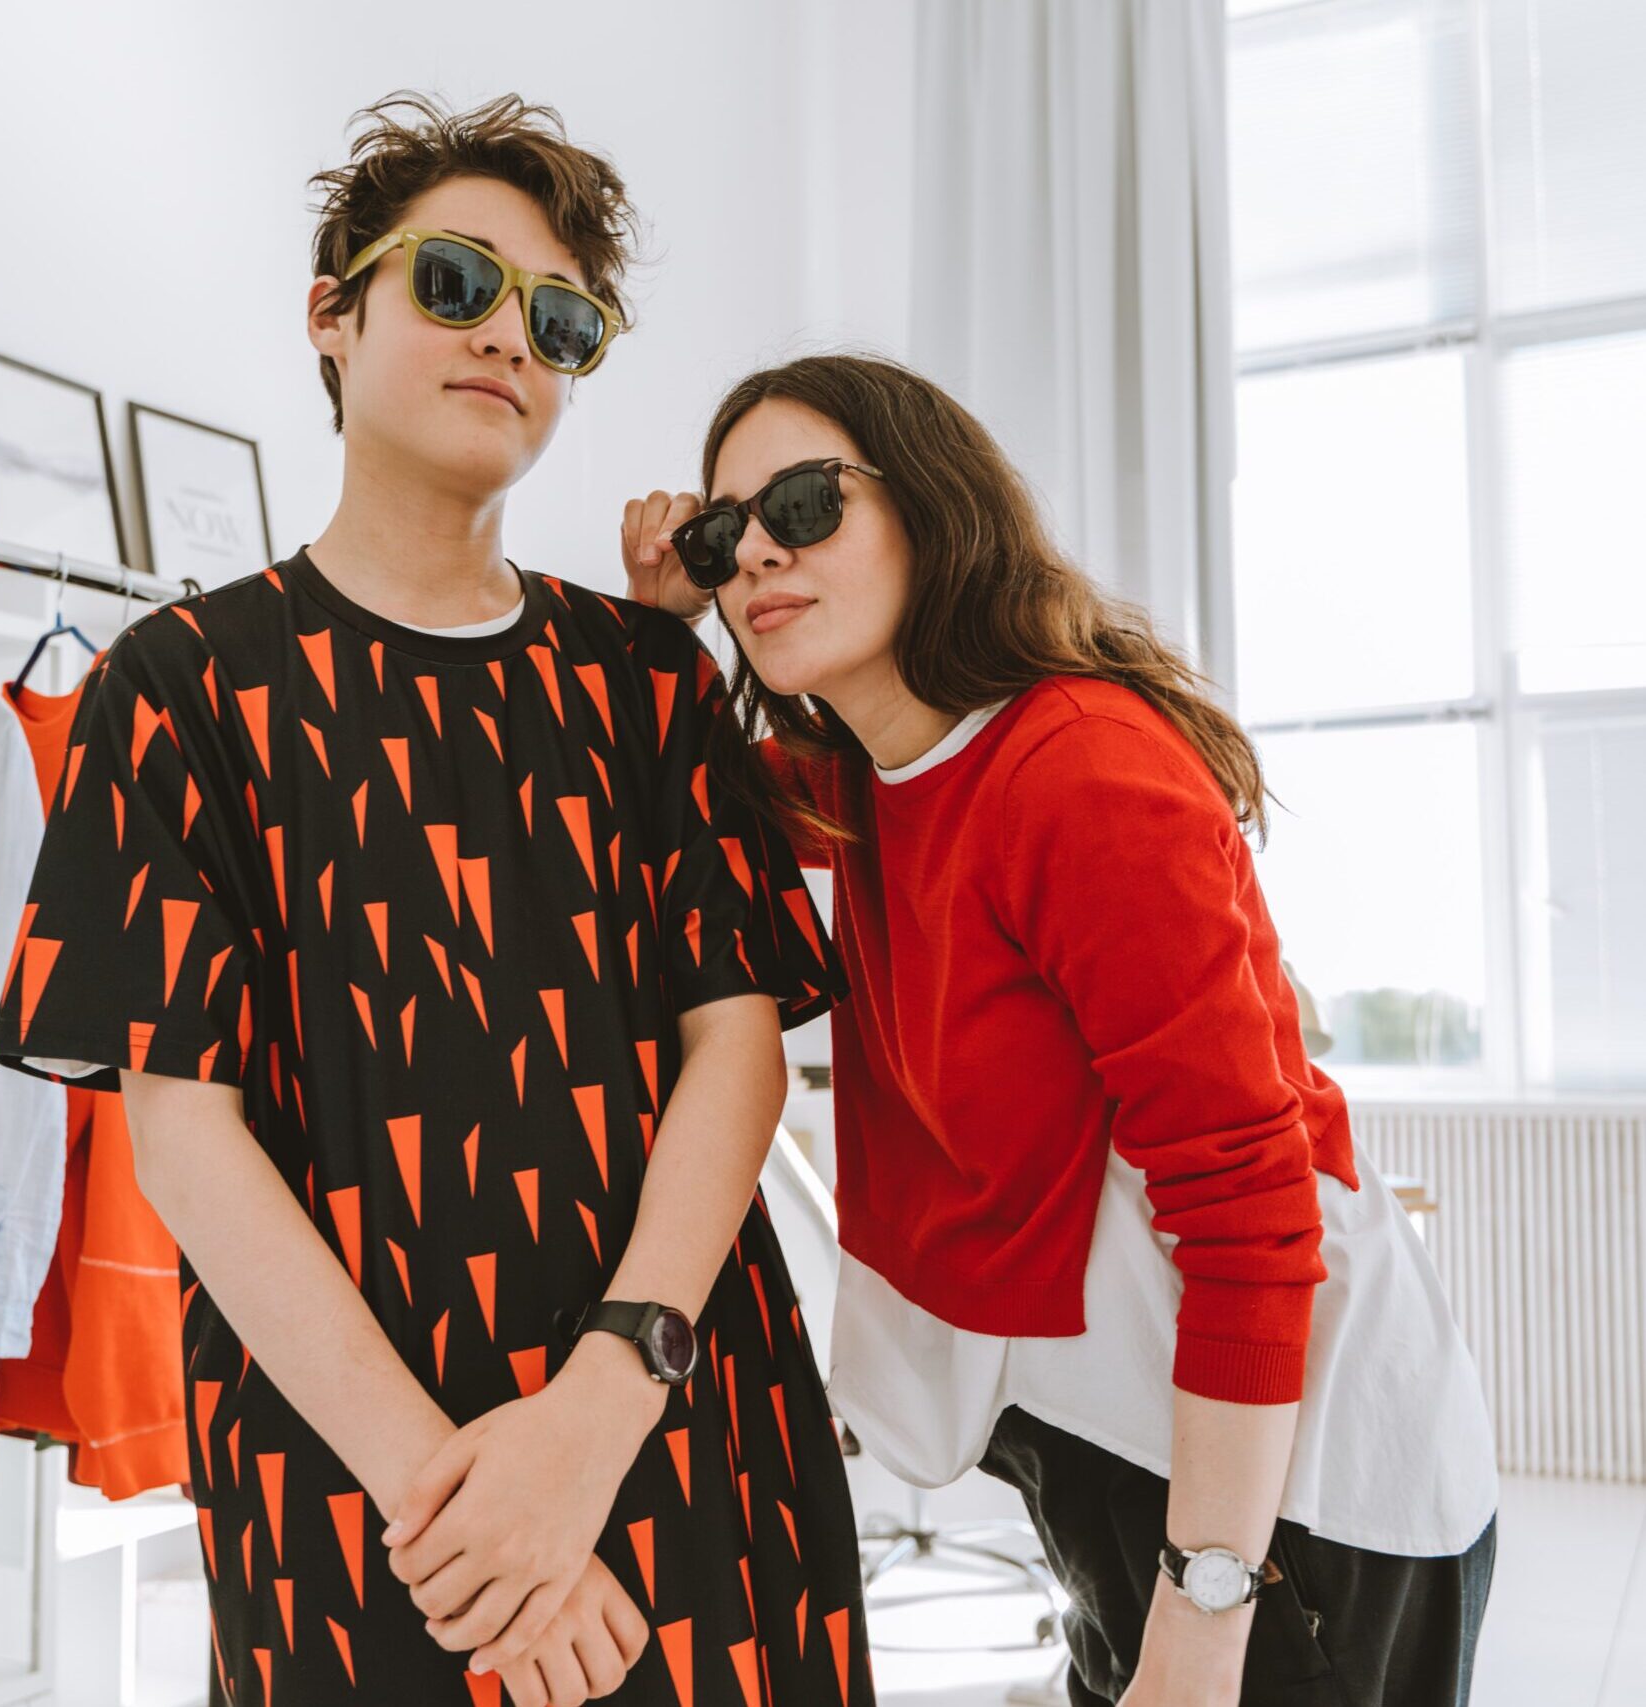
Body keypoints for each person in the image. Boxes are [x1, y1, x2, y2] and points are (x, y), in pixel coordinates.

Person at [0, 96, 873, 1707]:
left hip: (683, 1428)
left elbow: (738, 1055)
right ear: (332, 313)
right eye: (458, 283)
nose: (511, 339)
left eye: (561, 321)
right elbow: (185, 1135)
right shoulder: (176, 687)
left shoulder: (645, 680)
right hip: (365, 1503)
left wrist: (599, 1412)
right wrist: (468, 1516)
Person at [620, 353, 1497, 1707]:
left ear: (932, 507)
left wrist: (1207, 1606)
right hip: (1129, 1445)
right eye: (723, 532)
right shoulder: (876, 775)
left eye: (803, 502)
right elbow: (679, 793)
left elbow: (1250, 1214)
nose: (755, 555)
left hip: (1290, 1493)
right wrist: (655, 621)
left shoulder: (1078, 767)